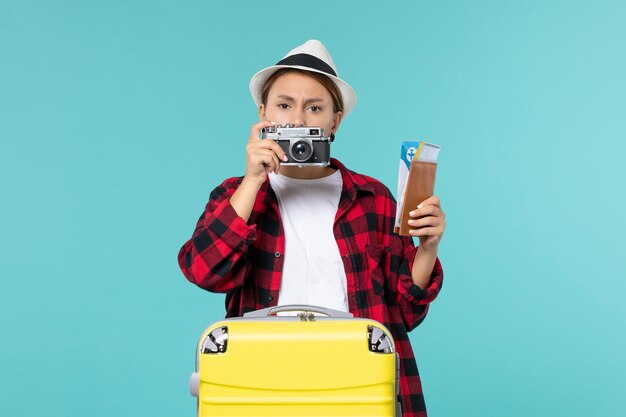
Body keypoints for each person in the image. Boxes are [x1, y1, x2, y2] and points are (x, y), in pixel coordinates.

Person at [178, 39, 446, 417]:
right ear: (262, 114)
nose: (298, 121)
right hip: (263, 382)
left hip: (359, 382)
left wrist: (429, 248)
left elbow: (404, 313)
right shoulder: (235, 195)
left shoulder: (373, 198)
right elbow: (203, 272)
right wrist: (253, 181)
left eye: (314, 108)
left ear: (335, 120)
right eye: (284, 105)